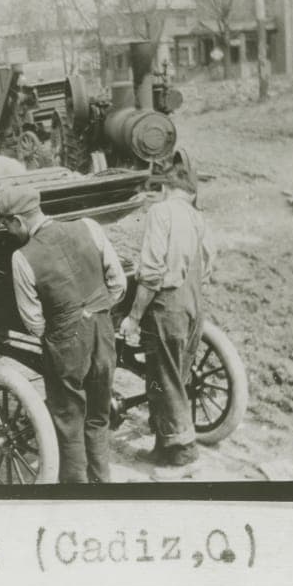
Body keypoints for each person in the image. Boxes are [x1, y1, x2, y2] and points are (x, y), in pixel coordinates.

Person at [0, 185, 126, 484]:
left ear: (18, 220)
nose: (7, 231)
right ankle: (101, 481)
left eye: (6, 224)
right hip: (103, 330)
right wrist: (98, 310)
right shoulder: (89, 227)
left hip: (65, 340)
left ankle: (75, 489)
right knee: (99, 412)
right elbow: (117, 282)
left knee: (69, 418)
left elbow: (33, 321)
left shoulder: (22, 257)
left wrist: (59, 331)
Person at [117, 166, 211, 479]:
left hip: (167, 306)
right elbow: (209, 262)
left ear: (166, 188)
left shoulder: (161, 211)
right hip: (194, 303)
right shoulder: (198, 217)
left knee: (165, 378)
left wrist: (133, 317)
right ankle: (163, 446)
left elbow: (152, 270)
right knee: (176, 375)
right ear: (191, 192)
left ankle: (184, 455)